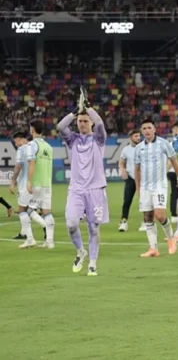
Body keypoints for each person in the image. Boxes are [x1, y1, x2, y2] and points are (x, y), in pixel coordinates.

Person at [57, 90, 110, 276]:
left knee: (93, 228)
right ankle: (81, 251)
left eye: (85, 121)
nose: (82, 123)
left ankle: (93, 263)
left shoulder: (99, 139)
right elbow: (60, 126)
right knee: (71, 224)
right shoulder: (72, 140)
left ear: (91, 123)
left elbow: (101, 124)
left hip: (95, 189)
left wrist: (88, 108)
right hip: (76, 189)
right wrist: (75, 112)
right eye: (80, 121)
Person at [135, 119, 178, 257]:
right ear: (141, 131)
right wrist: (138, 188)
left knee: (160, 215)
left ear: (154, 129)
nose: (147, 130)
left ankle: (171, 238)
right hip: (145, 187)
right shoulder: (139, 148)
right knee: (148, 217)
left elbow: (174, 161)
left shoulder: (164, 144)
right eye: (144, 128)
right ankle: (153, 248)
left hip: (160, 185)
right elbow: (137, 170)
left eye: (149, 128)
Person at [23, 120, 56, 249]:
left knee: (29, 210)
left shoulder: (31, 145)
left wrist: (29, 181)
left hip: (36, 183)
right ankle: (50, 241)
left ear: (32, 129)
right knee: (47, 212)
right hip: (47, 184)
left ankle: (42, 228)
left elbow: (32, 163)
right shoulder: (48, 147)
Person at [9, 132, 42, 249]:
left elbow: (18, 167)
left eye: (16, 141)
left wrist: (12, 181)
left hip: (25, 183)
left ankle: (31, 238)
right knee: (30, 209)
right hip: (38, 183)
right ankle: (26, 233)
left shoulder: (22, 149)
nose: (15, 144)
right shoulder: (35, 147)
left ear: (20, 139)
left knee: (22, 209)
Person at [118, 130, 141, 232]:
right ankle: (124, 221)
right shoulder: (126, 150)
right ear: (130, 137)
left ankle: (146, 222)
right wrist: (122, 170)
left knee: (144, 201)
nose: (138, 138)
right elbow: (121, 162)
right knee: (127, 201)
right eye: (136, 136)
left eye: (139, 136)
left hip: (143, 179)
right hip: (131, 178)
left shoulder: (144, 148)